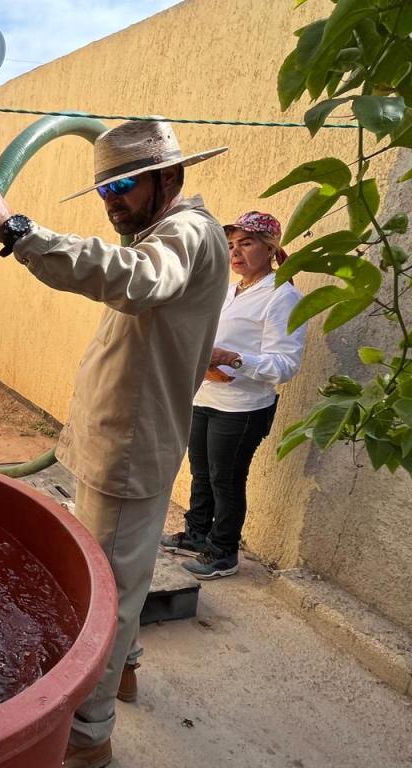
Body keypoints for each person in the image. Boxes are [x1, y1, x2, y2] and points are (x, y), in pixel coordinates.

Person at [0, 119, 229, 768]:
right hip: (124, 443)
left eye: (127, 184)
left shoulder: (184, 233)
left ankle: (88, 736)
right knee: (118, 579)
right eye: (105, 186)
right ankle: (126, 669)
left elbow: (134, 280)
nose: (113, 199)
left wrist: (17, 231)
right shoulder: (162, 232)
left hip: (130, 450)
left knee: (101, 596)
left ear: (171, 178)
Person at [161, 212, 307, 579]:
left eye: (246, 243)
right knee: (202, 473)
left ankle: (223, 552)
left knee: (226, 480)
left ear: (270, 248)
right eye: (230, 245)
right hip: (206, 395)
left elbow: (285, 365)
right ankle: (196, 534)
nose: (235, 252)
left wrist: (233, 358)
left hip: (243, 407)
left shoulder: (283, 297)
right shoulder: (228, 290)